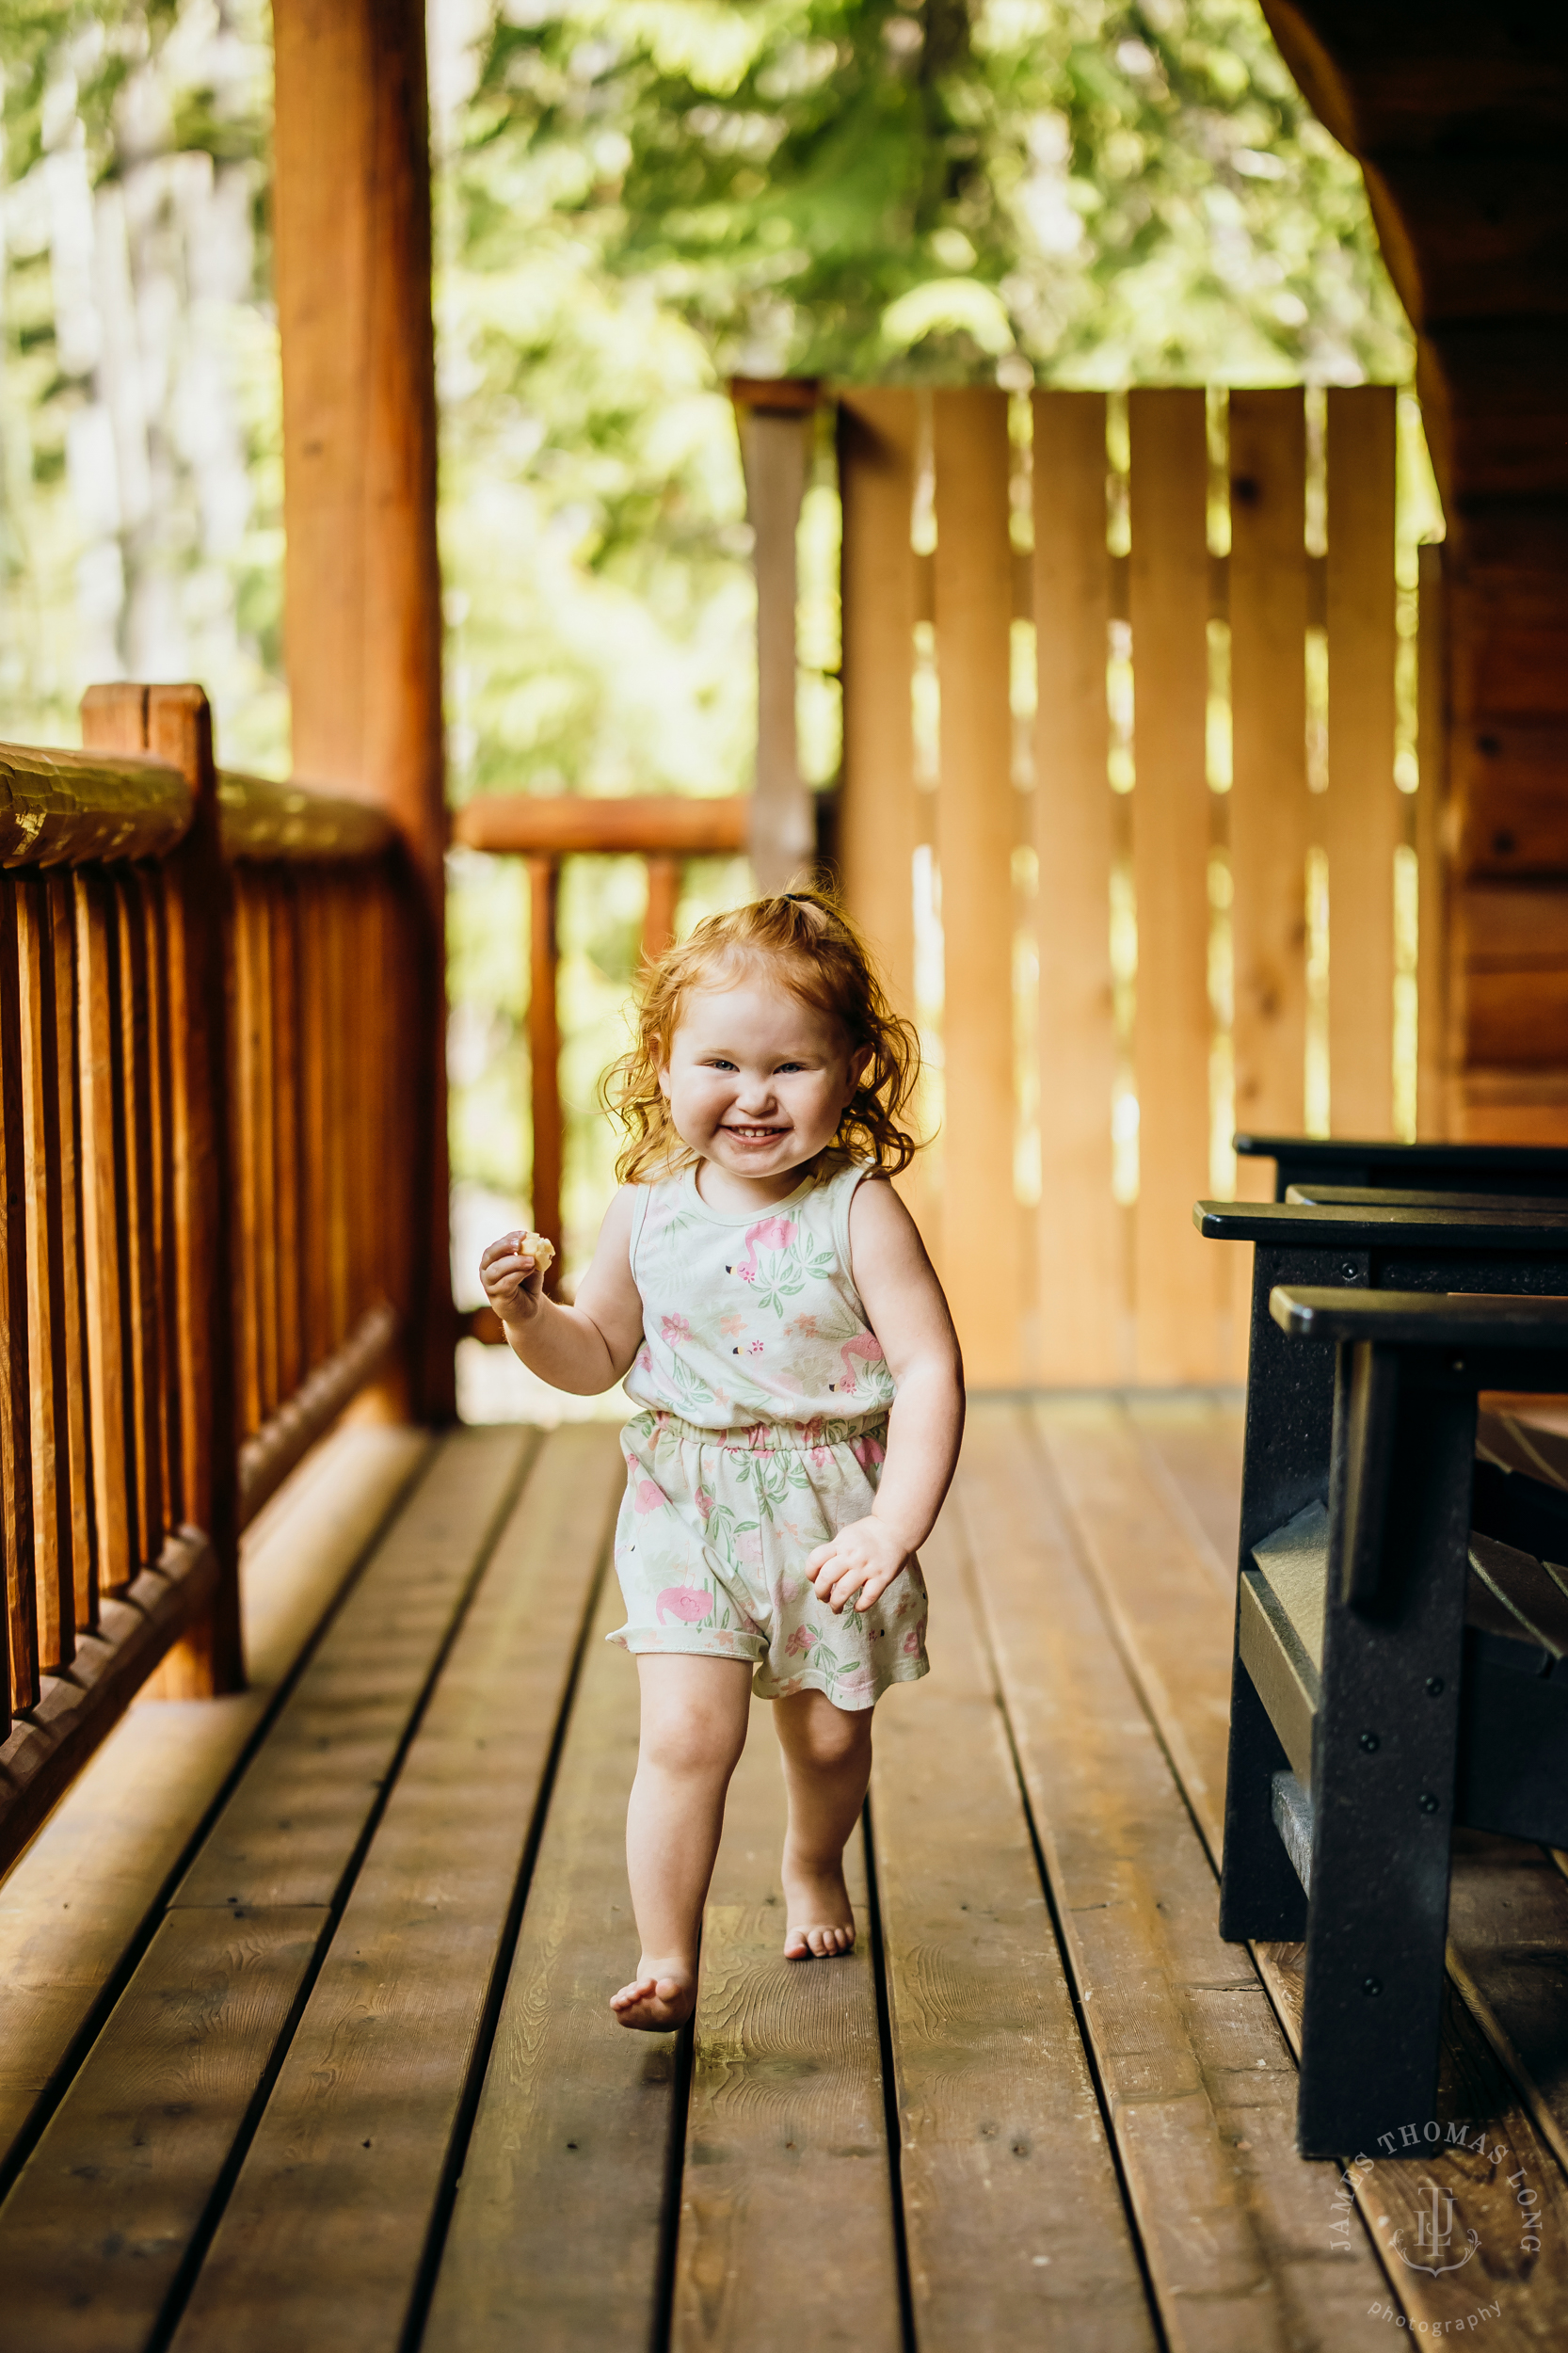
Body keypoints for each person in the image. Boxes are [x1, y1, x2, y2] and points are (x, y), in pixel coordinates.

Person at [478, 889, 964, 2030]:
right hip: (686, 1500)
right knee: (687, 1733)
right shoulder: (645, 1212)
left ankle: (811, 1857)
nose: (754, 1095)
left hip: (833, 1508)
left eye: (791, 1066)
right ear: (661, 1062)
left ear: (852, 1071)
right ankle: (668, 1958)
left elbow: (931, 1368)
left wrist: (893, 1526)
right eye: (722, 1064)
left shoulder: (858, 1208)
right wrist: (526, 1315)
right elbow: (594, 1357)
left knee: (833, 1732)